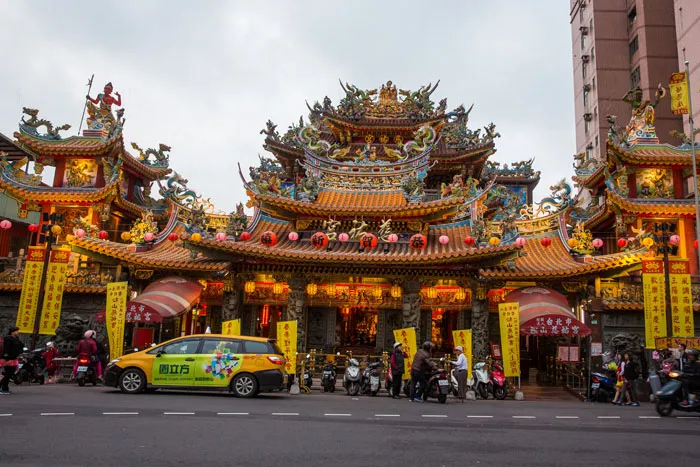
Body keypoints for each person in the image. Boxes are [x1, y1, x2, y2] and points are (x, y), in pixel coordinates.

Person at [1, 327, 24, 395]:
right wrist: (6, 357)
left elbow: (21, 346)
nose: (18, 332)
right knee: (8, 374)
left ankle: (4, 388)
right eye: (17, 331)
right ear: (12, 332)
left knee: (10, 373)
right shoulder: (8, 338)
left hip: (13, 358)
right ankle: (4, 389)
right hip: (8, 359)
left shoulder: (16, 339)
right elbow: (6, 348)